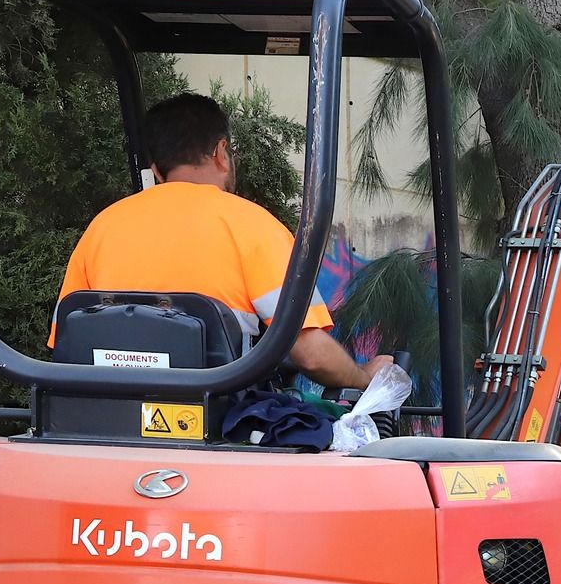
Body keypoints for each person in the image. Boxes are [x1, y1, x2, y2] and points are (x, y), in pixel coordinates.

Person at [51, 93, 388, 392]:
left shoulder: (102, 228)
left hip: (105, 426)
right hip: (219, 430)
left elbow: (65, 344)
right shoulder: (254, 227)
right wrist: (364, 376)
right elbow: (313, 356)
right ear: (221, 152)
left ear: (156, 170)